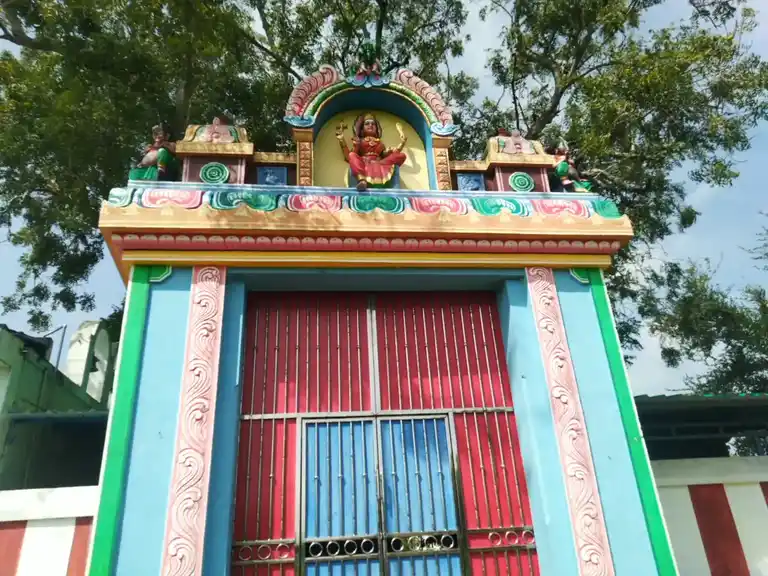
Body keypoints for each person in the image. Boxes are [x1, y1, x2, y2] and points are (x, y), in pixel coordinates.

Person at [336, 113, 407, 190]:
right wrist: (342, 140)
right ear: (362, 129)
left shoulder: (379, 142)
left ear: (377, 128)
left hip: (380, 162)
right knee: (352, 155)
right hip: (364, 161)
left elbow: (384, 154)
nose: (370, 125)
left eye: (373, 124)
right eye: (367, 124)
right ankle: (362, 180)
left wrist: (402, 143)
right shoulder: (360, 140)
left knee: (401, 155)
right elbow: (350, 155)